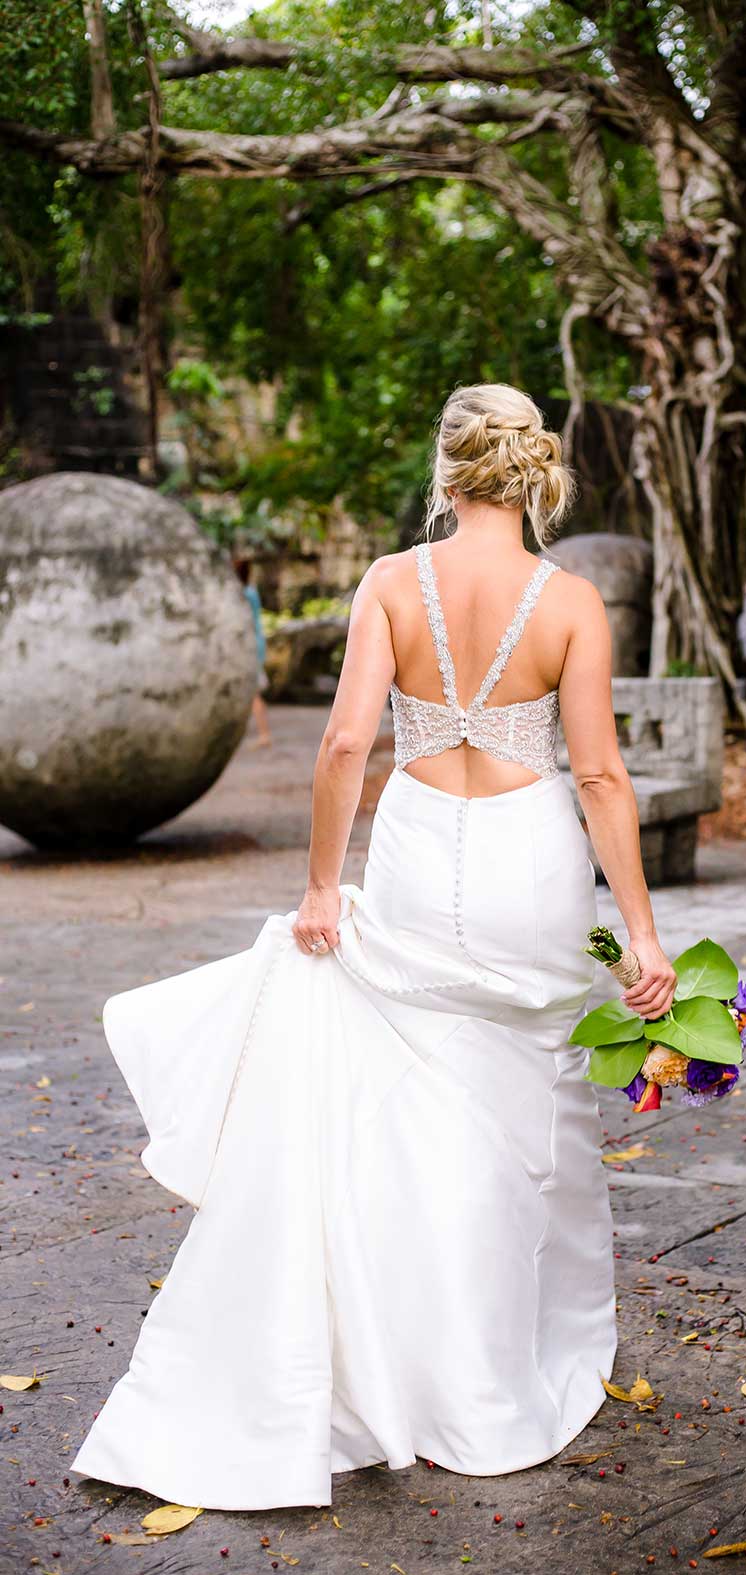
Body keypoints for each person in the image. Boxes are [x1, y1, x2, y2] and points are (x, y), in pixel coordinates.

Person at [69, 383, 677, 1511]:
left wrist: (319, 890)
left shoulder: (394, 584)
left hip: (412, 845)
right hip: (526, 859)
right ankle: (494, 1367)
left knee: (408, 1093)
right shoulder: (573, 601)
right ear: (529, 471)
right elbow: (597, 774)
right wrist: (639, 932)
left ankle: (403, 1350)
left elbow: (348, 741)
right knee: (527, 1095)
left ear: (447, 474)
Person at [233, 555, 272, 747]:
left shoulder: (244, 594)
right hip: (255, 643)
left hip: (251, 646)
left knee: (253, 693)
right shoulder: (251, 591)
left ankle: (264, 734)